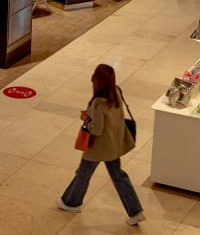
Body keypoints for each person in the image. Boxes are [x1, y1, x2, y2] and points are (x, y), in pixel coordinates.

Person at [56, 64, 145, 226]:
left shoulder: (98, 103)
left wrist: (87, 121)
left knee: (83, 173)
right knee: (118, 176)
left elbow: (96, 130)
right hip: (115, 144)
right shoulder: (116, 92)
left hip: (98, 148)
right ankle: (136, 211)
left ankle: (72, 203)